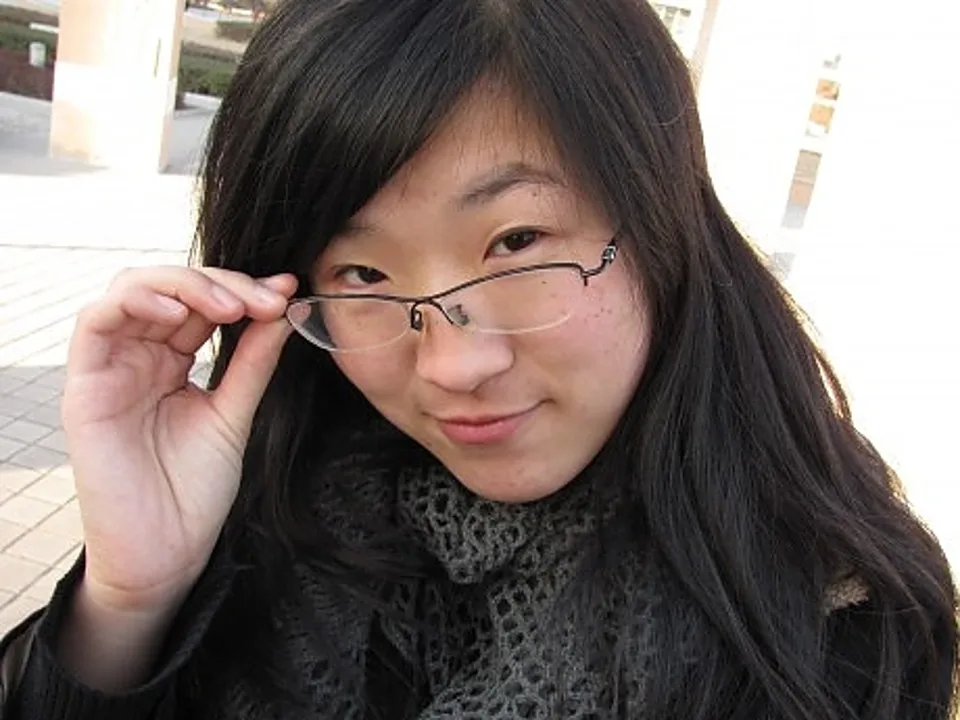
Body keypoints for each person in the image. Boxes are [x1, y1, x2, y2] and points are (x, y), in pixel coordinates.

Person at [1, 0, 956, 718]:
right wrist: (130, 600)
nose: (455, 365)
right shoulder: (273, 506)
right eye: (363, 272)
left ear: (663, 224)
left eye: (517, 242)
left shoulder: (829, 629)